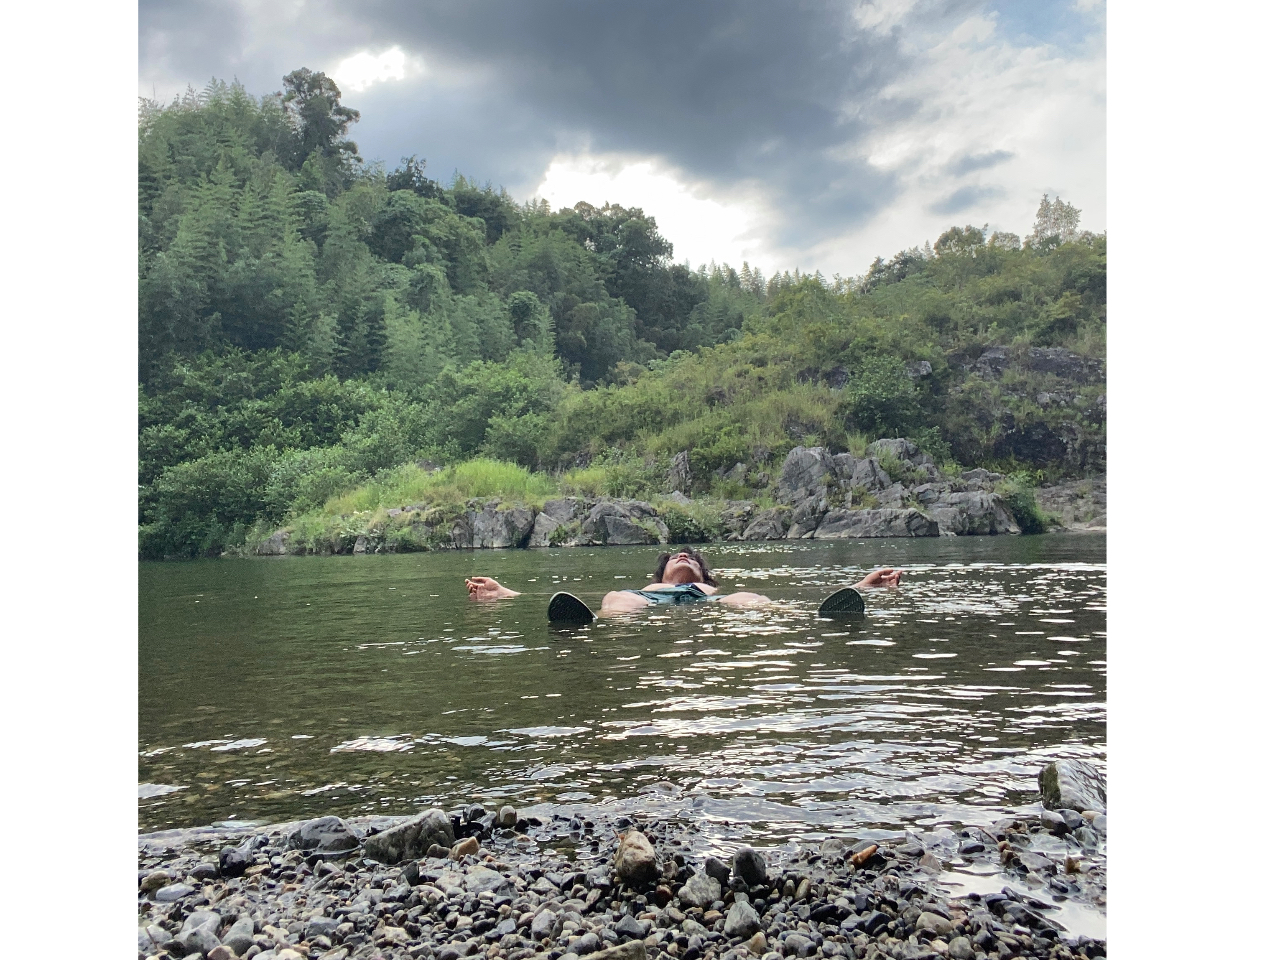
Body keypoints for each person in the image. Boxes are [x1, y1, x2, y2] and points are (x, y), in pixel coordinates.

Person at [465, 548, 903, 614]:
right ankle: (595, 623)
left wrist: (864, 588)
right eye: (676, 555)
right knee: (613, 597)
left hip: (710, 606)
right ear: (658, 574)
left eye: (692, 557)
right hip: (646, 606)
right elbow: (544, 596)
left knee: (750, 597)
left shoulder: (713, 588)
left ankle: (814, 615)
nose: (684, 555)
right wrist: (503, 593)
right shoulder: (645, 587)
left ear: (704, 574)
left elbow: (726, 591)